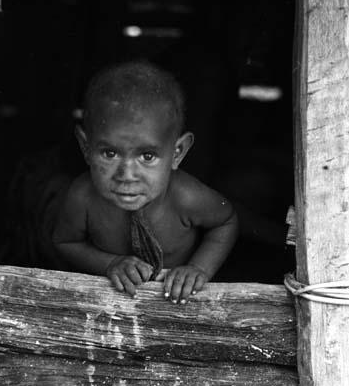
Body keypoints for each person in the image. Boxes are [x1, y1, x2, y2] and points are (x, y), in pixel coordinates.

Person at [52, 61, 238, 303]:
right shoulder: (82, 197)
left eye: (147, 156)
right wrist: (110, 264)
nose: (127, 174)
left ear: (177, 152)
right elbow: (65, 242)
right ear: (85, 147)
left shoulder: (186, 196)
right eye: (110, 153)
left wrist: (198, 269)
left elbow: (226, 221)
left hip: (176, 305)